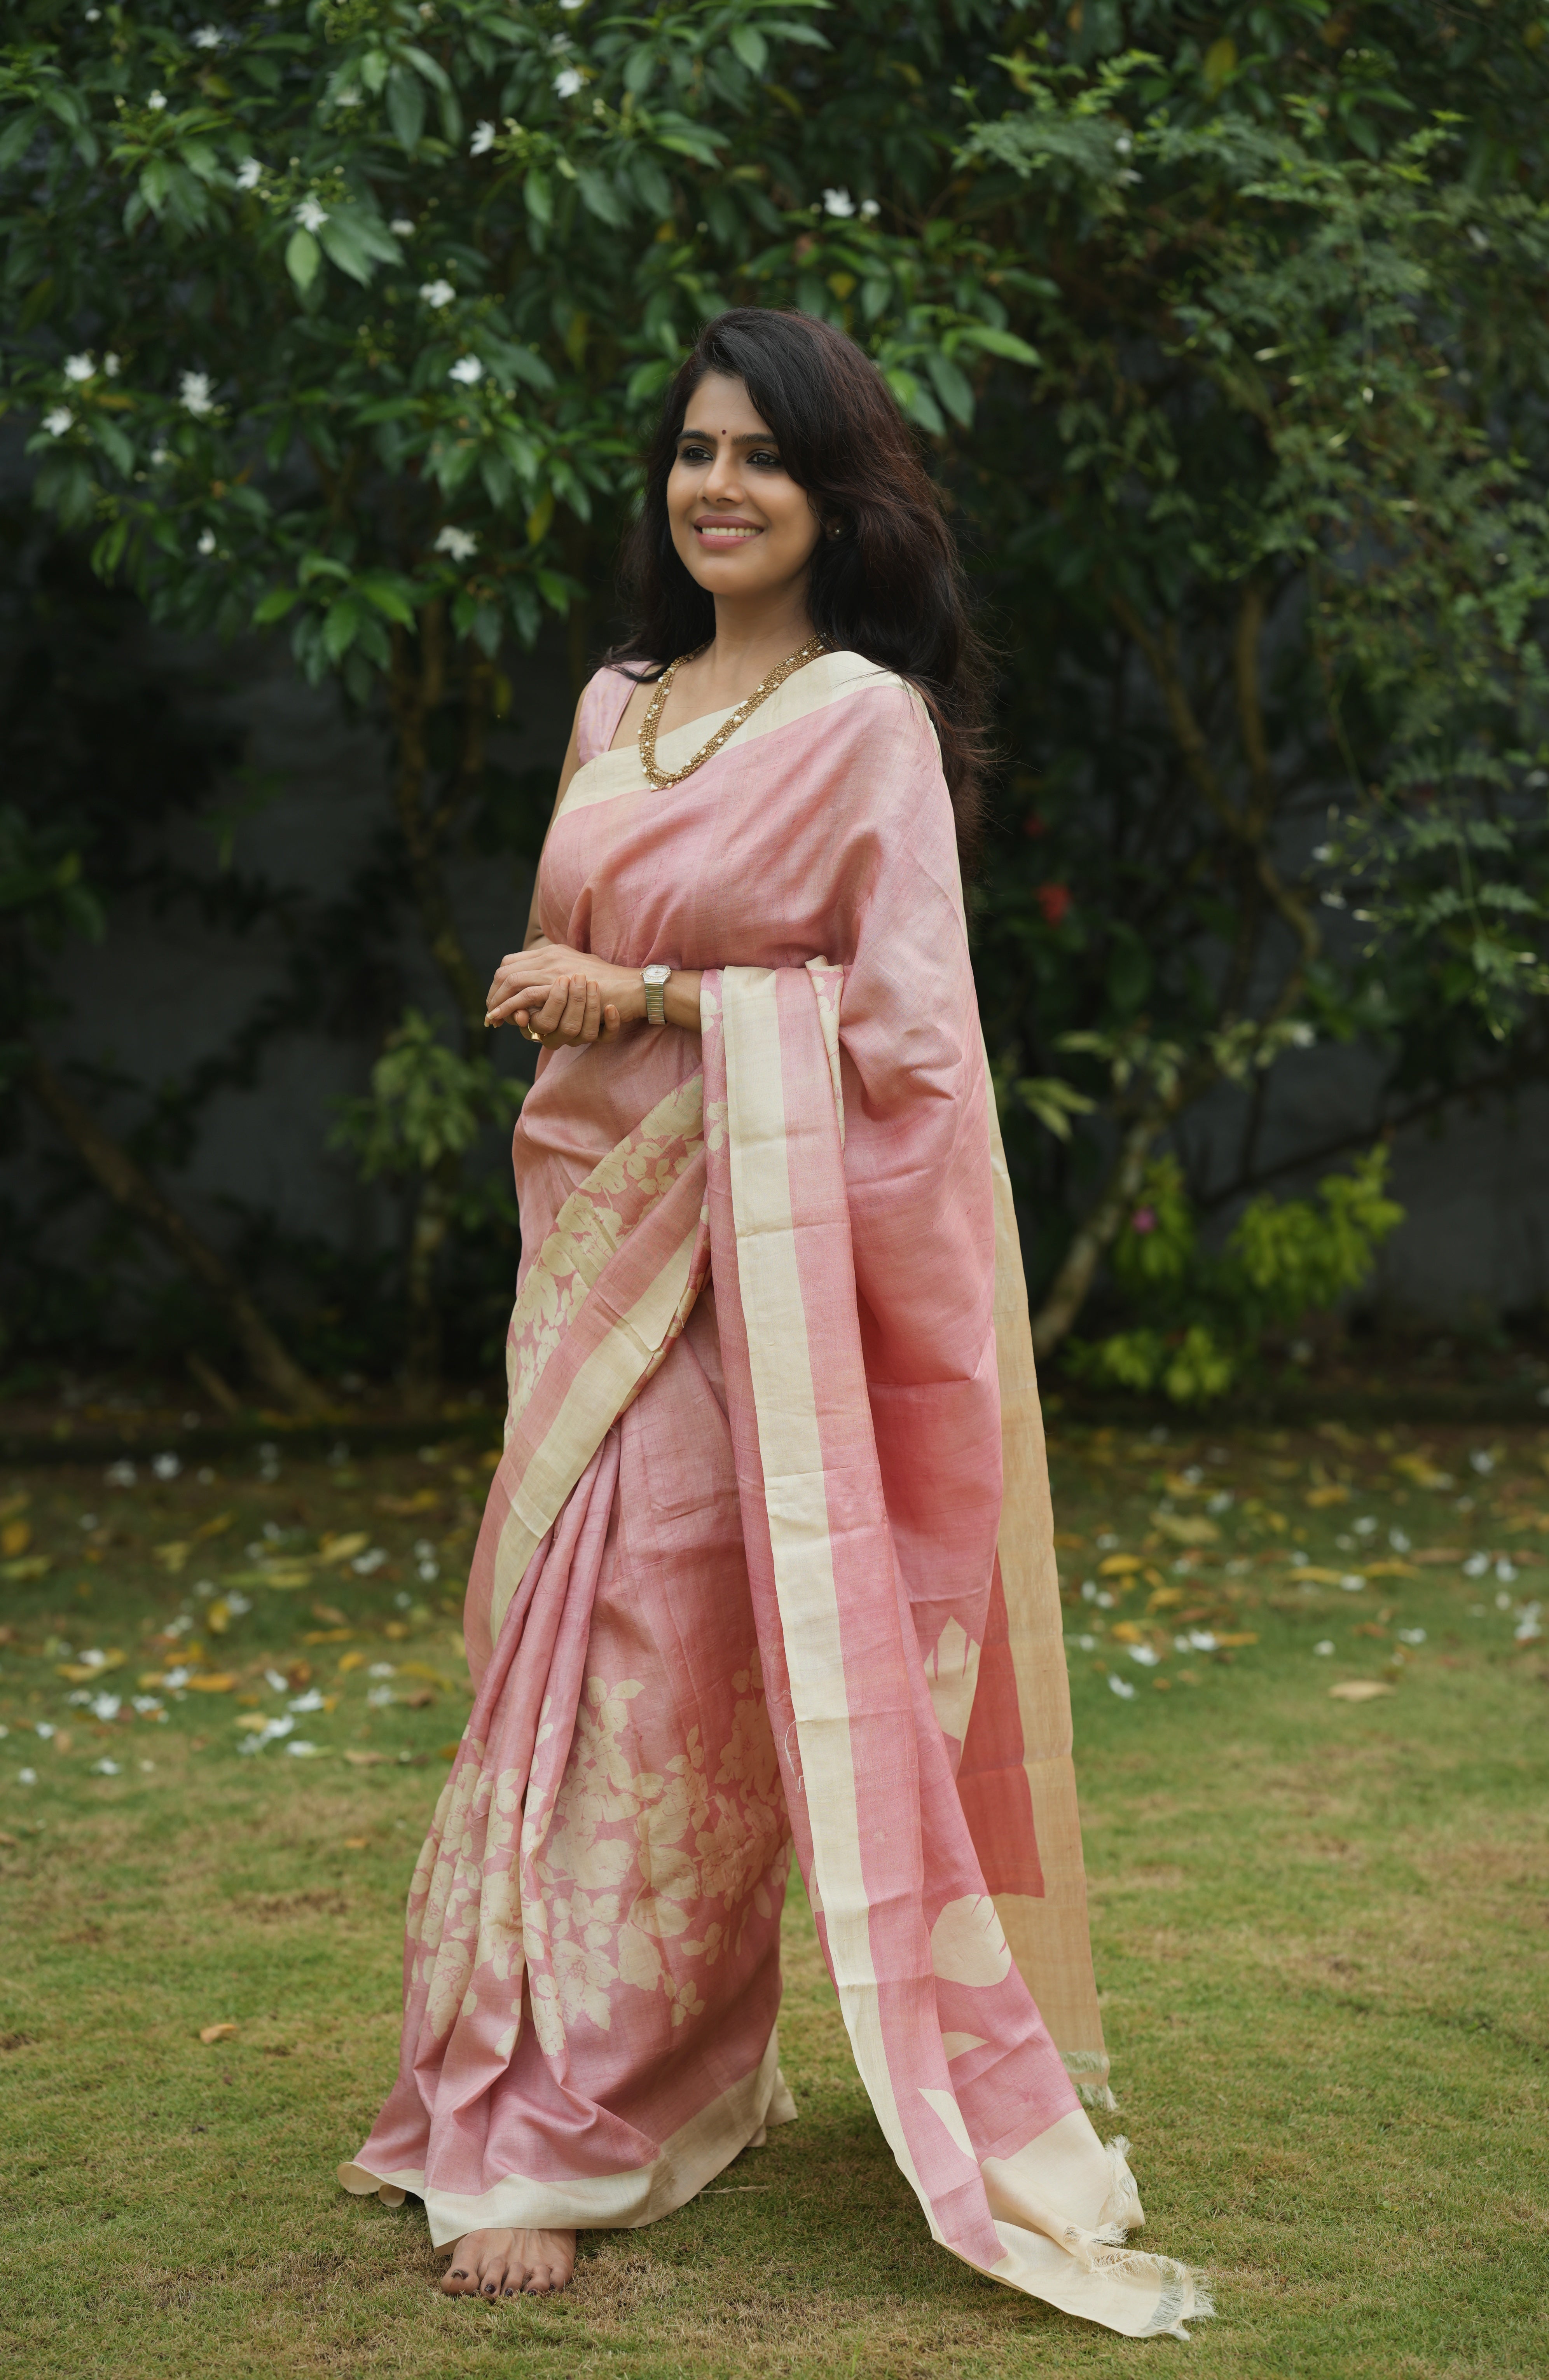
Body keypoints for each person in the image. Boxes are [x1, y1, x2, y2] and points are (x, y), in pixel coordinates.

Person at [338, 307, 1209, 2342]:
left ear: (835, 499)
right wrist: (566, 994)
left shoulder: (857, 724)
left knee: (665, 1672)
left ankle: (572, 2113)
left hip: (761, 1284)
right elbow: (590, 947)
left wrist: (644, 1001)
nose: (715, 487)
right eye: (691, 452)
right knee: (546, 1659)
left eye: (762, 458)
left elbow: (902, 1035)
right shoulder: (612, 701)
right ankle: (570, 2069)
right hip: (594, 1251)